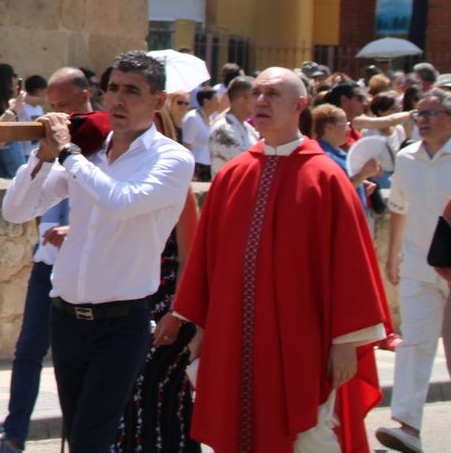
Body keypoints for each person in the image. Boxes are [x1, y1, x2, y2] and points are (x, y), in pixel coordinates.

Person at [160, 67, 391, 453]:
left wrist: (346, 342)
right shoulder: (232, 175)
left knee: (308, 437)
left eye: (273, 94)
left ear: (300, 105)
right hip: (233, 336)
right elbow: (206, 261)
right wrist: (199, 329)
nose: (261, 100)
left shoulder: (326, 178)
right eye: (258, 94)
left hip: (303, 342)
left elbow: (350, 266)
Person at [0, 51, 194, 453]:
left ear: (158, 101)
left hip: (121, 324)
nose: (118, 100)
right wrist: (43, 155)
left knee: (91, 440)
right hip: (67, 318)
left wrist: (68, 152)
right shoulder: (90, 152)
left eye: (132, 92)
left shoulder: (172, 158)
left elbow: (121, 202)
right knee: (80, 438)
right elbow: (16, 211)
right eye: (114, 90)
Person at [0, 67, 103, 453]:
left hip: (91, 271)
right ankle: (12, 436)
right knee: (28, 349)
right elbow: (20, 208)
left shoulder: (105, 141)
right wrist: (42, 158)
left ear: (85, 97)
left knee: (77, 364)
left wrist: (74, 231)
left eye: (63, 105)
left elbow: (112, 208)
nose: (56, 113)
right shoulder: (58, 143)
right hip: (50, 264)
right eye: (52, 105)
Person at [112, 102, 200, 453]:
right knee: (129, 401)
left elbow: (191, 256)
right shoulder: (122, 183)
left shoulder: (176, 185)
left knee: (158, 400)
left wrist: (178, 314)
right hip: (129, 306)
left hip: (167, 310)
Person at [376, 90, 451, 453]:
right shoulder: (406, 158)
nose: (421, 119)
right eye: (418, 113)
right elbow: (400, 208)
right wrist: (393, 256)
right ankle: (407, 426)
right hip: (418, 266)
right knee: (414, 345)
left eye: (431, 113)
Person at [208, 75, 257, 176]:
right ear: (244, 97)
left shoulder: (250, 129)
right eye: (256, 95)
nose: (260, 100)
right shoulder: (222, 130)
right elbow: (247, 166)